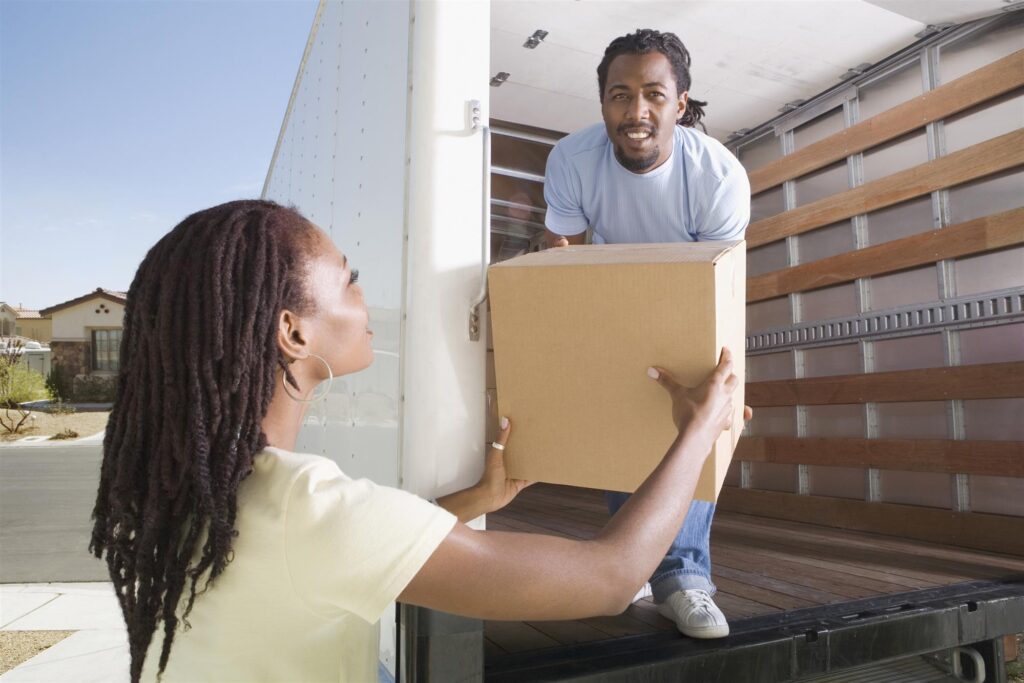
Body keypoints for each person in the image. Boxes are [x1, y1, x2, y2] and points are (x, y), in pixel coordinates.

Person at [89, 200, 745, 682]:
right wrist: (699, 430)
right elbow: (609, 578)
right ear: (293, 333)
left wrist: (475, 498)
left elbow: (349, 549)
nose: (363, 293)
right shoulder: (305, 505)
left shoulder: (186, 491)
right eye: (349, 278)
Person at [542, 29, 752, 639]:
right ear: (603, 101)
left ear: (679, 104)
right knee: (620, 424)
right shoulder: (571, 161)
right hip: (607, 293)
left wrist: (722, 384)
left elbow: (720, 283)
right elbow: (566, 253)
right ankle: (633, 561)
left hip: (694, 298)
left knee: (698, 419)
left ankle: (683, 578)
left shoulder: (717, 175)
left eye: (654, 95)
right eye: (620, 95)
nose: (636, 112)